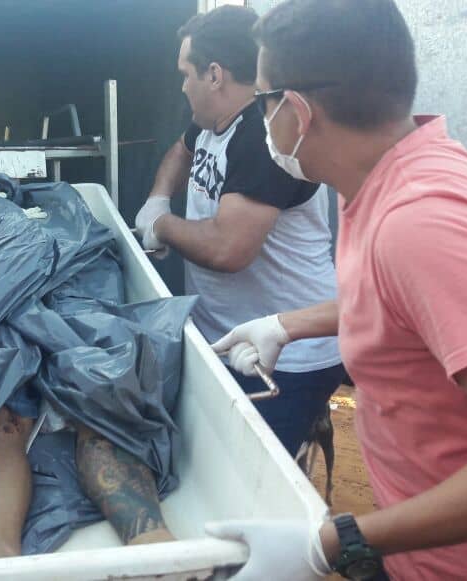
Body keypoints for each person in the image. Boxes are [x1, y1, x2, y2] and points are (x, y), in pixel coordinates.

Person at [205, 1, 467, 579]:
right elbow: (408, 305)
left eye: (263, 101)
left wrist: (336, 541)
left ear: (297, 112)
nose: (260, 118)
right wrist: (288, 324)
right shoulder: (385, 177)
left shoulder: (422, 223)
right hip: (422, 549)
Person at [132, 5, 343, 457]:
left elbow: (228, 249)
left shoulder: (265, 137)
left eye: (185, 74)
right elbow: (181, 151)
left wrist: (163, 226)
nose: (182, 86)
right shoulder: (213, 120)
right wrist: (158, 199)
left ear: (214, 75)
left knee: (253, 472)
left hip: (285, 355)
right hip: (231, 338)